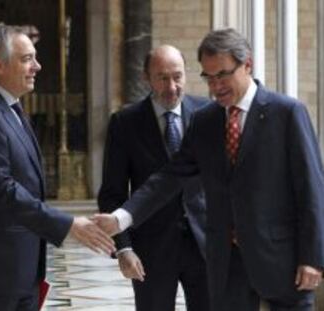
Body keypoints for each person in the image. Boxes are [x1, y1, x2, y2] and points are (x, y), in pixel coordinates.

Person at [94, 28, 324, 311]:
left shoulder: (287, 113)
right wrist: (122, 218)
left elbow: (311, 190)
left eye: (223, 75)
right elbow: (170, 176)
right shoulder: (205, 121)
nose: (215, 87)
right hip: (226, 266)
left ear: (247, 65)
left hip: (282, 262)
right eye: (209, 77)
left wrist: (313, 257)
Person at [0, 25, 115, 311]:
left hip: (20, 272)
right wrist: (68, 224)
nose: (37, 66)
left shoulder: (11, 108)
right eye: (26, 59)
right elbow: (1, 189)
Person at [98, 45, 209, 311]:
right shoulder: (125, 122)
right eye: (162, 77)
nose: (172, 86)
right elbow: (113, 192)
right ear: (146, 78)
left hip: (205, 245)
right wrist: (124, 249)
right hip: (151, 249)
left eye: (177, 76)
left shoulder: (208, 114)